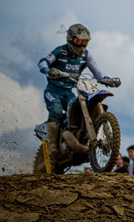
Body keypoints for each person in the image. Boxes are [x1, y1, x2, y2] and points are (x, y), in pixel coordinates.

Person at [38, 24, 119, 163]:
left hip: (69, 91)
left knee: (77, 109)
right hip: (54, 90)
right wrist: (48, 71)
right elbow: (43, 62)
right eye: (78, 41)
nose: (81, 45)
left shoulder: (86, 55)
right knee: (56, 111)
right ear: (70, 39)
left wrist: (108, 80)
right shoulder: (60, 51)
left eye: (84, 42)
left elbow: (97, 72)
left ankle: (80, 135)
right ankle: (52, 148)